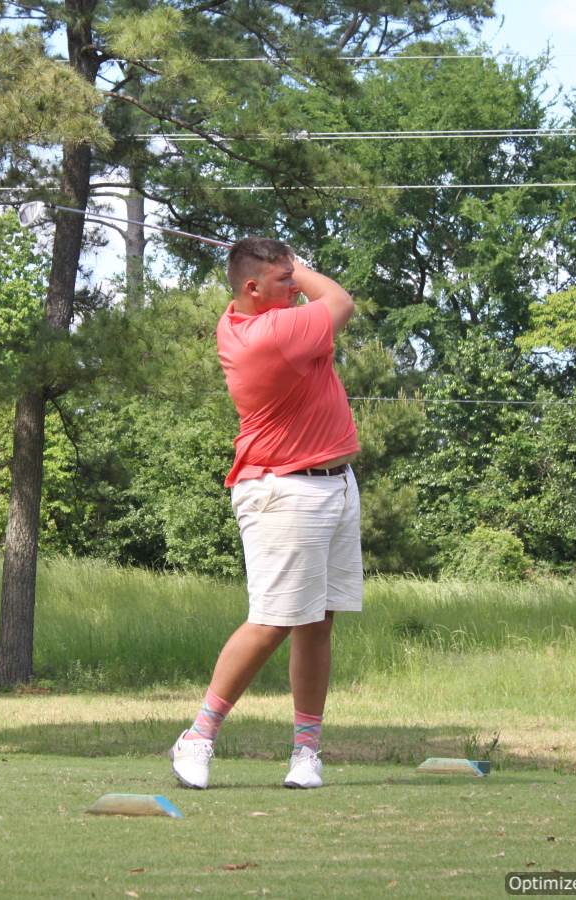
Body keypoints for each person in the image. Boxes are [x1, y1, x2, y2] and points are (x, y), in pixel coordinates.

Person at [170, 237, 361, 790]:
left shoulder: (264, 318)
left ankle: (306, 752)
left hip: (332, 485)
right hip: (285, 491)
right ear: (252, 288)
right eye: (283, 280)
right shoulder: (266, 335)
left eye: (294, 278)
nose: (295, 286)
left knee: (317, 621)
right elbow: (341, 301)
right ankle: (198, 735)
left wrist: (284, 271)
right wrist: (302, 267)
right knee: (275, 620)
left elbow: (323, 307)